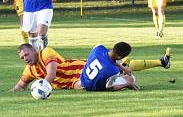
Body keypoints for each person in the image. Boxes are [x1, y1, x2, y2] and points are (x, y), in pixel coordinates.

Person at [9, 42, 171, 92]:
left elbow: (50, 75)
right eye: (22, 58)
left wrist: (40, 88)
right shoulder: (29, 70)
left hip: (82, 69)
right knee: (121, 68)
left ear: (34, 50)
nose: (25, 59)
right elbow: (20, 85)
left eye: (26, 55)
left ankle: (159, 62)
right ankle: (160, 62)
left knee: (123, 70)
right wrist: (12, 92)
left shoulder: (45, 53)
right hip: (73, 83)